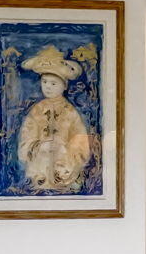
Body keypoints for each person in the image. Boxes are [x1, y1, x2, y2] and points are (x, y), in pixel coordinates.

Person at [15, 46, 93, 192]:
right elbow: (26, 139)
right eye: (44, 82)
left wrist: (64, 149)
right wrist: (39, 146)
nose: (48, 87)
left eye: (53, 83)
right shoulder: (36, 111)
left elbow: (81, 144)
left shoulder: (70, 112)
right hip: (39, 174)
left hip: (64, 175)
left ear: (64, 86)